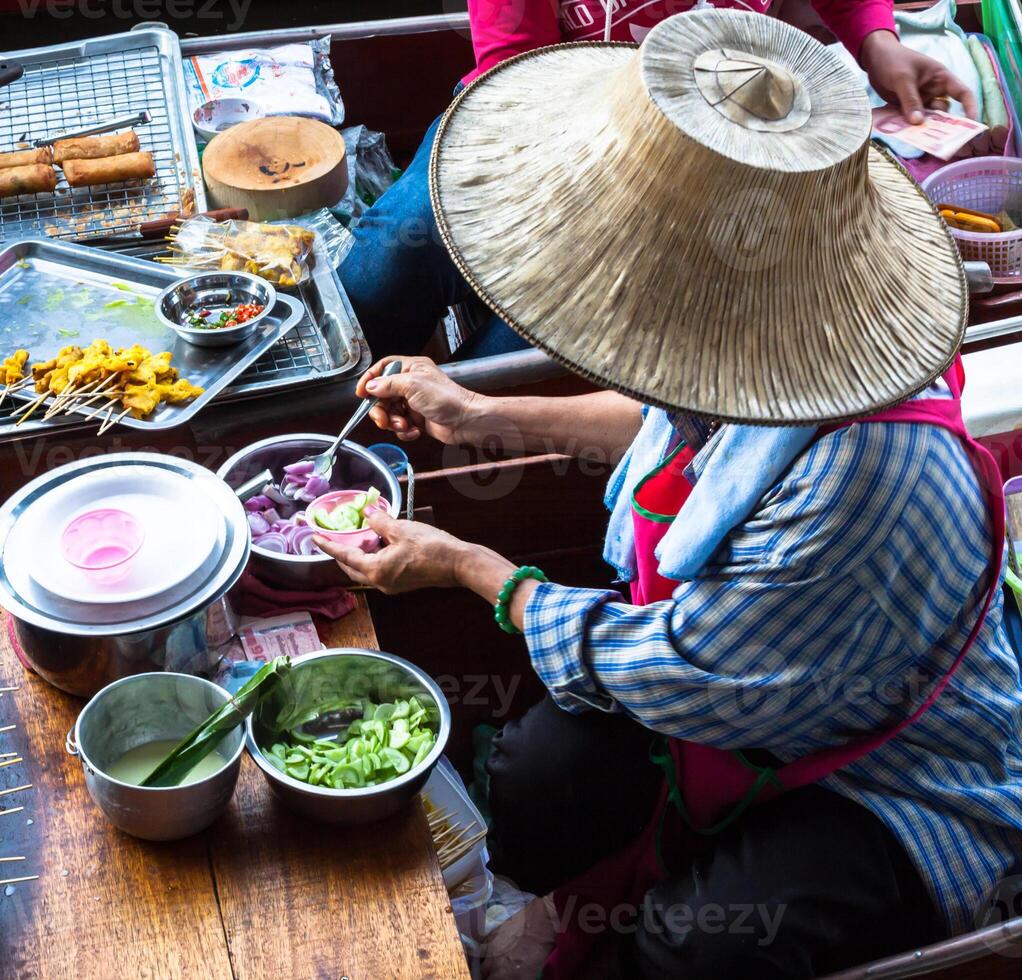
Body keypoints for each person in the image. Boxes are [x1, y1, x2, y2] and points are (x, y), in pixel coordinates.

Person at [314, 11, 1022, 977]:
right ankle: (555, 911)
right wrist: (479, 412)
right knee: (538, 773)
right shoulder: (770, 336)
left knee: (692, 948)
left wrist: (467, 569)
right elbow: (672, 428)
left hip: (896, 765)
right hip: (744, 663)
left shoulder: (864, 472)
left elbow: (689, 666)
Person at [338, 0, 979, 359]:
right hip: (530, 120)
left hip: (698, 168)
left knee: (522, 361)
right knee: (393, 254)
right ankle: (334, 417)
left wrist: (877, 42)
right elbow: (515, 68)